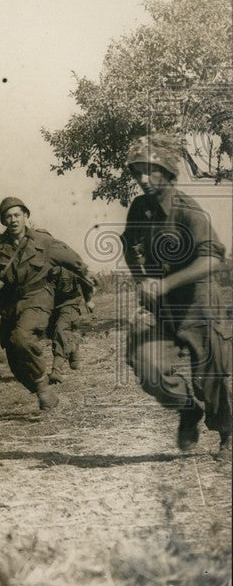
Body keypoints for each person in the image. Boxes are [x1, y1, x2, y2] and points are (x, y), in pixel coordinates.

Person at [121, 135, 231, 460]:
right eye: (138, 172)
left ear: (168, 172)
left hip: (199, 304)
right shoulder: (140, 208)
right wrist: (142, 279)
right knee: (145, 363)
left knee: (211, 378)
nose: (142, 179)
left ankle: (227, 437)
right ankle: (187, 409)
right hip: (161, 309)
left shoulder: (188, 211)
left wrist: (165, 284)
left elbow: (213, 259)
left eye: (150, 171)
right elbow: (129, 245)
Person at [0, 197, 90, 411]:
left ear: (26, 217)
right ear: (3, 220)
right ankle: (42, 389)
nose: (13, 220)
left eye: (17, 215)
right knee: (13, 358)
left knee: (22, 338)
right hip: (10, 302)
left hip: (38, 295)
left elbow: (73, 260)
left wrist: (86, 281)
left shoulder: (43, 241)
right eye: (8, 216)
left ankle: (43, 387)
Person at [46, 266, 96, 383]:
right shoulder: (43, 265)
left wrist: (88, 300)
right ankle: (73, 348)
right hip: (52, 307)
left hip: (69, 305)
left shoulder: (69, 265)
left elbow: (86, 281)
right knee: (51, 332)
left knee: (61, 331)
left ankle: (56, 371)